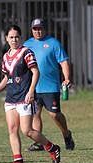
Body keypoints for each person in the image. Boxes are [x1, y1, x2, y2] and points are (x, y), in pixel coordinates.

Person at [0, 25, 61, 163]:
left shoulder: (26, 52)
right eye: (11, 37)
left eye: (16, 37)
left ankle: (52, 148)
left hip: (24, 97)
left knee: (27, 131)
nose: (14, 39)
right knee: (12, 130)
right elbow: (7, 78)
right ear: (6, 39)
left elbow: (35, 72)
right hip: (10, 99)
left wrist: (31, 91)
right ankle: (18, 161)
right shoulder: (6, 56)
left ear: (20, 38)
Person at [23, 18, 75, 151]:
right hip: (33, 86)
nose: (38, 31)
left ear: (44, 29)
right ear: (32, 30)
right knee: (35, 113)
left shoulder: (53, 43)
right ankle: (39, 142)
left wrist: (67, 78)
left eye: (40, 28)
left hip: (50, 86)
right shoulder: (27, 44)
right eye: (35, 29)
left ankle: (66, 134)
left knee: (54, 114)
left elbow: (63, 62)